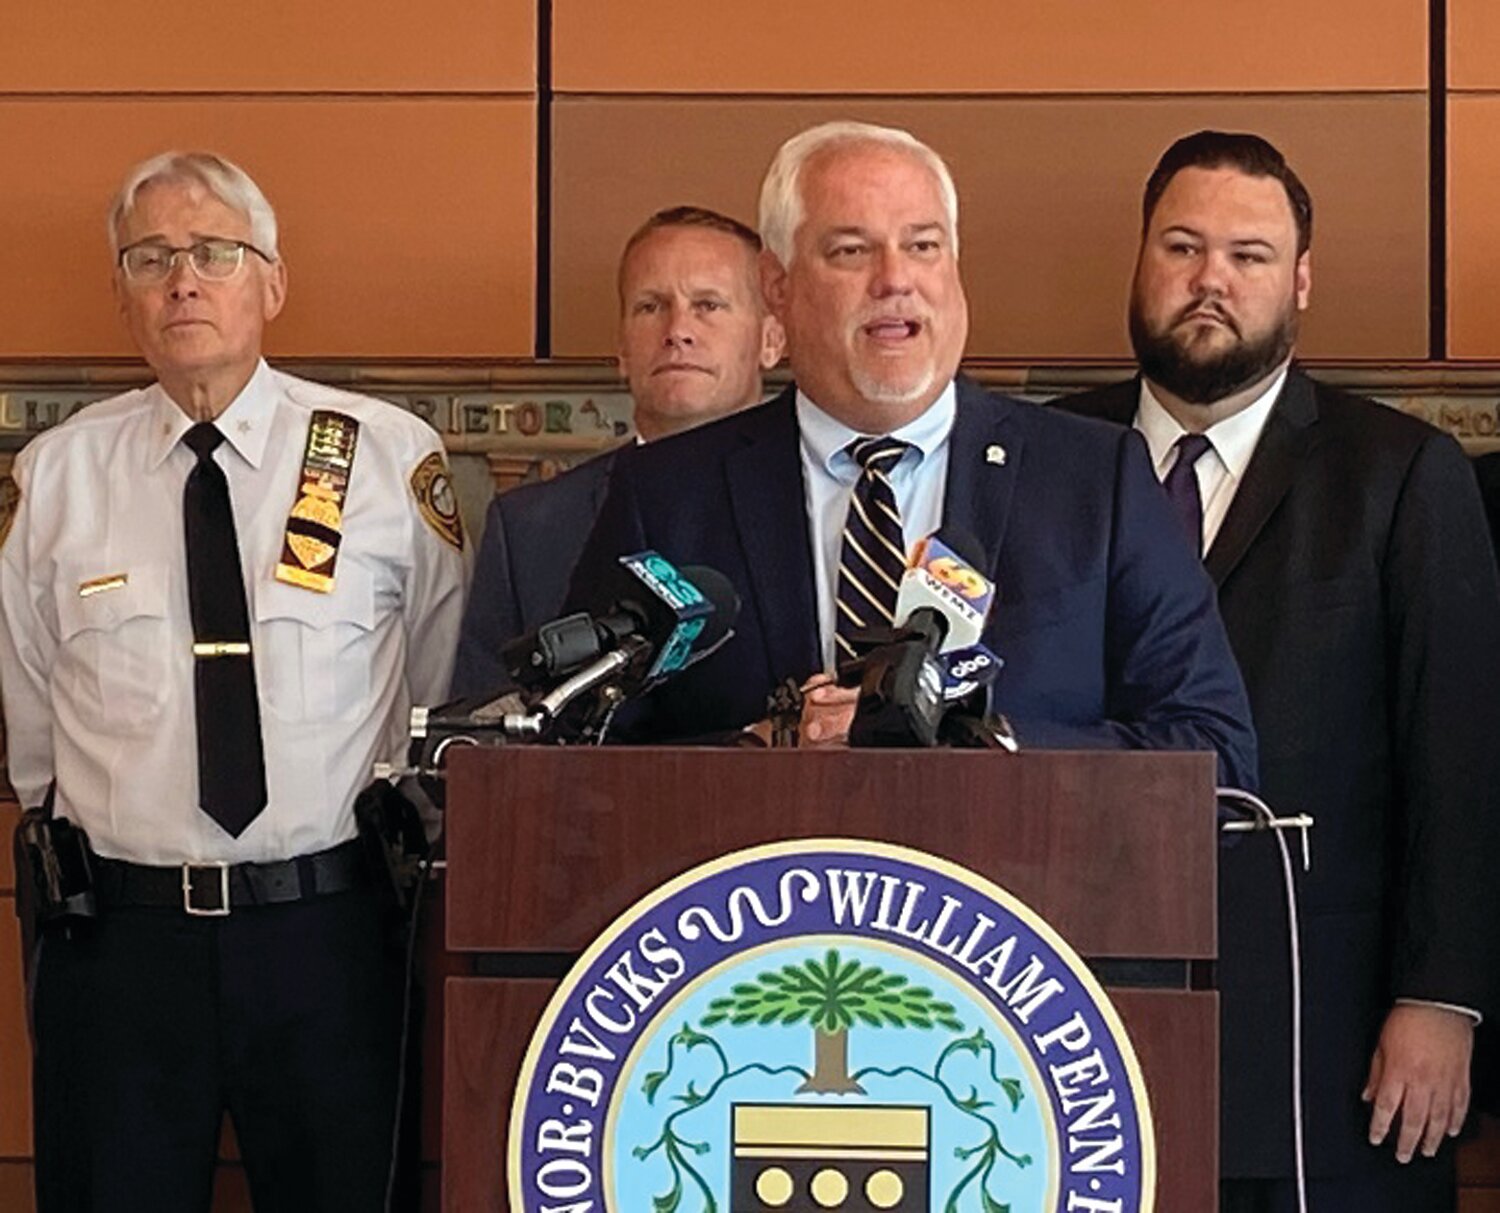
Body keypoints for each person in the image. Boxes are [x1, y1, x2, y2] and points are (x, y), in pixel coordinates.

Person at [0, 151, 467, 1211]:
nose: (183, 280)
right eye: (151, 258)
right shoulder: (58, 476)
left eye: (216, 252)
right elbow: (33, 723)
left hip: (329, 935)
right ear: (122, 295)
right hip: (120, 944)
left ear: (272, 283)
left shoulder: (384, 457)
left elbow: (434, 687)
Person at [1060, 130, 1500, 1212]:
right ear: (1140, 259)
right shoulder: (1045, 458)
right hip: (1074, 1013)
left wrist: (1441, 998)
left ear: (1300, 280)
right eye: (1184, 246)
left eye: (1250, 255)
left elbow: (1464, 755)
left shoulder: (1400, 475)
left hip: (1330, 1040)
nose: (1213, 279)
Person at [566, 120, 1256, 786]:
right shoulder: (666, 494)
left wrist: (983, 751)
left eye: (922, 246)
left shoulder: (1095, 480)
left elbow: (1212, 752)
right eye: (851, 251)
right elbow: (576, 765)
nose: (895, 279)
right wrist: (766, 745)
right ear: (777, 286)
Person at [451, 205, 782, 695]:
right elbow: (485, 733)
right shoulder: (529, 528)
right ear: (622, 350)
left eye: (708, 305)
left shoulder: (817, 502)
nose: (677, 331)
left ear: (771, 340)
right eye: (650, 307)